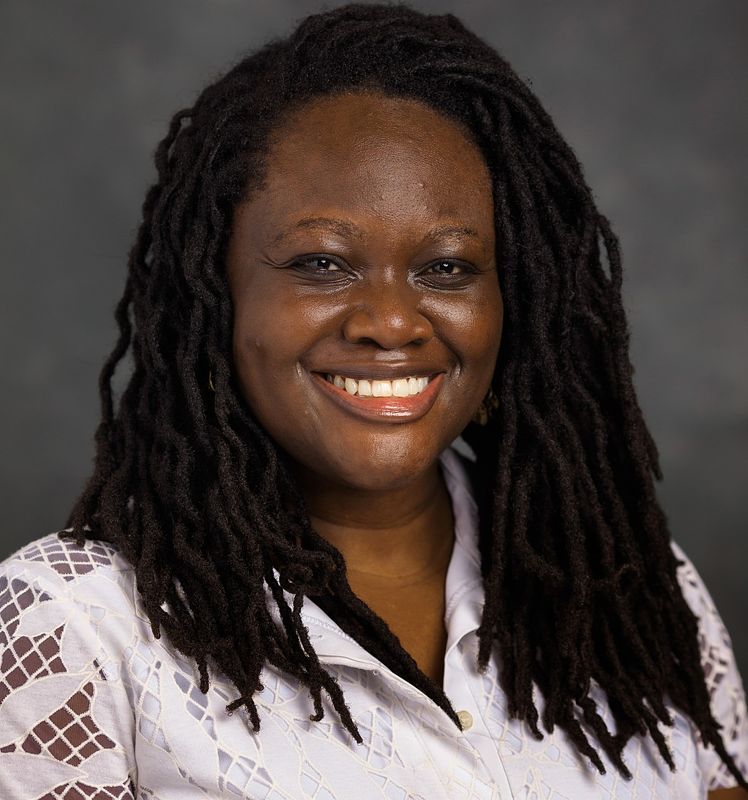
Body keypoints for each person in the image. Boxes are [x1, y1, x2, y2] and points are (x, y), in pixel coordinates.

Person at [1, 3, 746, 798]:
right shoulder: (72, 624)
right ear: (216, 296)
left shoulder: (630, 582)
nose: (391, 322)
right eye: (322, 264)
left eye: (448, 268)